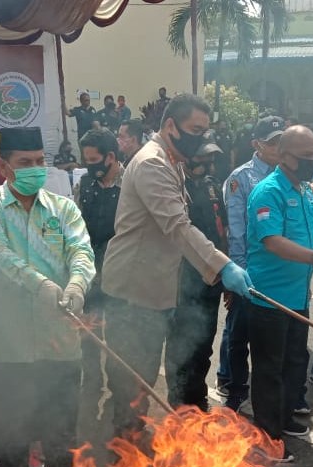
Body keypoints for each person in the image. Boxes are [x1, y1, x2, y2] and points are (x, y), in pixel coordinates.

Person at [101, 94, 252, 436]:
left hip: (154, 286)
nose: (201, 138)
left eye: (205, 131)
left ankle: (137, 442)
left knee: (146, 373)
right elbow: (177, 226)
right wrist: (223, 266)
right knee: (133, 381)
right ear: (170, 125)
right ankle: (126, 456)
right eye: (195, 129)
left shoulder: (171, 161)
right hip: (132, 288)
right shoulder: (153, 163)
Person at [0, 126, 95, 467]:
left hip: (61, 342)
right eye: (26, 163)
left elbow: (82, 253)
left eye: (40, 161)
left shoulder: (63, 208)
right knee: (11, 434)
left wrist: (76, 285)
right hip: (10, 345)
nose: (36, 169)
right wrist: (41, 286)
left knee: (60, 433)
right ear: (5, 167)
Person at [246, 126, 313, 453]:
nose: (311, 162)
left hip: (298, 296)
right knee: (268, 369)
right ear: (284, 155)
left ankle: (285, 418)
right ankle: (267, 438)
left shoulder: (304, 190)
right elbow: (272, 241)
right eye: (305, 156)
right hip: (269, 298)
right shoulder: (267, 191)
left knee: (294, 362)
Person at [219, 116, 285, 411]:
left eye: (281, 141)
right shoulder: (241, 178)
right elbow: (236, 230)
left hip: (279, 272)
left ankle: (271, 392)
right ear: (256, 144)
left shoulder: (288, 174)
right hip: (249, 271)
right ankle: (234, 386)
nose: (277, 147)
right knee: (238, 334)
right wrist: (237, 274)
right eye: (272, 142)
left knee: (271, 339)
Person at [165, 137, 228, 410]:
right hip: (182, 281)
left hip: (210, 280)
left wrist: (226, 272)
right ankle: (179, 403)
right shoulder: (174, 187)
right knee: (181, 346)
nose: (206, 164)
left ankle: (198, 398)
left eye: (209, 159)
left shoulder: (213, 187)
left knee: (204, 343)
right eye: (200, 158)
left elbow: (222, 231)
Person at [75, 128, 123, 409]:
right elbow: (75, 224)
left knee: (118, 334)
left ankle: (118, 386)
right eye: (86, 160)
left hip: (121, 273)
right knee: (88, 331)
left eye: (94, 160)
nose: (89, 166)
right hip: (90, 271)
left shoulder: (131, 182)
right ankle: (92, 380)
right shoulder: (84, 184)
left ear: (111, 157)